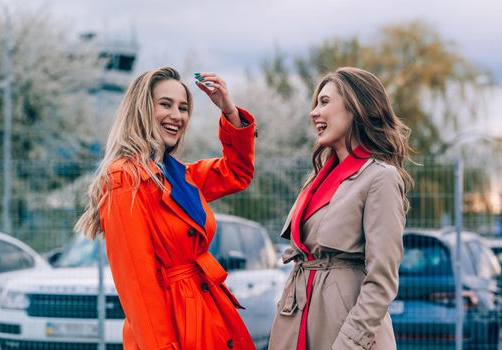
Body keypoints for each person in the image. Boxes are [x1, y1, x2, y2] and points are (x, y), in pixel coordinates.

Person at [75, 67, 257, 350]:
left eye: (183, 108)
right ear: (142, 110)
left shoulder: (181, 175)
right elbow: (138, 284)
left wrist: (230, 111)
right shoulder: (124, 179)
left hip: (208, 316)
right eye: (165, 104)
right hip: (172, 329)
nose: (177, 116)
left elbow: (236, 172)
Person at [268, 67, 413, 350]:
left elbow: (382, 281)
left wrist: (350, 343)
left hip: (344, 331)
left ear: (356, 107)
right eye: (315, 104)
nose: (313, 113)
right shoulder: (317, 179)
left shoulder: (380, 177)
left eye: (324, 102)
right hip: (298, 320)